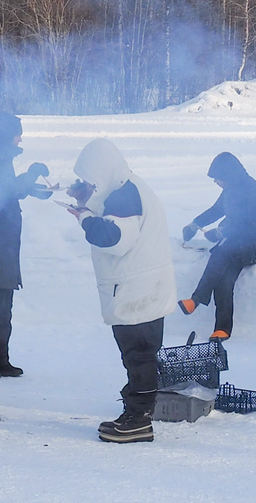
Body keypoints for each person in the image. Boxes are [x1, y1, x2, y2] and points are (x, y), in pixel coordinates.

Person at [69, 138, 177, 444]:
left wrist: (85, 218)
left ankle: (139, 421)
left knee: (140, 357)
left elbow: (114, 238)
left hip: (139, 291)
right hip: (139, 289)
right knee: (137, 356)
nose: (89, 184)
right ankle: (134, 414)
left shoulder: (125, 197)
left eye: (90, 179)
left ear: (102, 172)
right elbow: (109, 215)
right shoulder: (123, 188)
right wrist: (86, 201)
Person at [0, 112, 52, 378]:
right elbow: (3, 193)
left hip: (1, 243)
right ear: (4, 134)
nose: (20, 138)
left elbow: (8, 191)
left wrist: (32, 188)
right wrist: (30, 176)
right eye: (16, 133)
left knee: (3, 304)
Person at [179, 153, 256, 340]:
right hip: (236, 244)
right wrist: (195, 224)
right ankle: (223, 329)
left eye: (217, 177)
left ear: (228, 175)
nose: (215, 182)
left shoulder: (255, 191)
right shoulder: (230, 190)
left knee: (221, 253)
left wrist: (223, 233)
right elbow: (216, 210)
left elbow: (251, 225)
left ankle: (196, 300)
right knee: (224, 279)